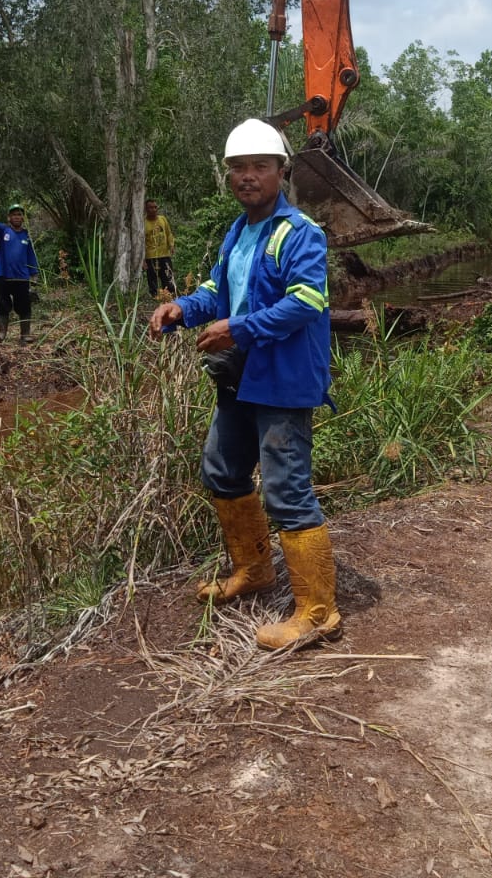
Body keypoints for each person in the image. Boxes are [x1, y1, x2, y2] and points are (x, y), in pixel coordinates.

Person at [148, 119, 337, 650]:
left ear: (282, 171)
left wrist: (239, 328)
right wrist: (183, 308)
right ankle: (255, 570)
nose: (248, 177)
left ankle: (319, 613)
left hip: (282, 380)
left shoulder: (299, 233)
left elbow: (307, 302)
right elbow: (217, 287)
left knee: (287, 491)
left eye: (259, 167)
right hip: (242, 378)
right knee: (222, 469)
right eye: (238, 169)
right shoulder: (240, 231)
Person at [0, 202, 39, 345]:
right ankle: (1, 333)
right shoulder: (4, 231)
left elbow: (31, 256)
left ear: (23, 218)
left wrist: (34, 274)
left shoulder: (26, 236)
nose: (17, 217)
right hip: (3, 275)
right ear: (9, 218)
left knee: (24, 305)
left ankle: (25, 334)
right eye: (14, 214)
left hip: (21, 277)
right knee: (2, 305)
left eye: (19, 214)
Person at [143, 198, 177, 295]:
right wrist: (143, 260)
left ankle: (169, 295)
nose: (154, 209)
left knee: (168, 276)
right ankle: (154, 296)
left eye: (155, 207)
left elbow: (169, 233)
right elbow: (141, 242)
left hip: (164, 254)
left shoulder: (162, 219)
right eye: (151, 207)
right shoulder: (143, 223)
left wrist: (171, 245)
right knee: (152, 279)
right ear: (146, 209)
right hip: (151, 256)